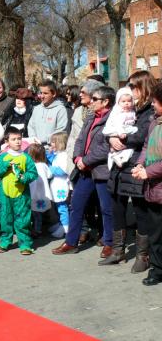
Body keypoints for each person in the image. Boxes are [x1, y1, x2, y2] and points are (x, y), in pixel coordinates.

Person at [52, 86, 116, 258]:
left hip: (102, 170)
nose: (92, 101)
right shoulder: (90, 116)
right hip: (85, 170)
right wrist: (77, 158)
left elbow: (107, 147)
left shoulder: (113, 119)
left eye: (95, 99)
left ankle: (109, 243)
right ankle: (71, 242)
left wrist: (85, 160)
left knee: (106, 208)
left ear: (105, 102)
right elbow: (80, 139)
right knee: (76, 205)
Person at [104, 70, 156, 271]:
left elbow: (144, 136)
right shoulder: (125, 107)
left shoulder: (149, 110)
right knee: (117, 207)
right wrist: (111, 137)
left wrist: (121, 137)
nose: (131, 91)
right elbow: (107, 129)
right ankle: (118, 250)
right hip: (119, 166)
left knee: (140, 211)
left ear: (143, 87)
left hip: (136, 165)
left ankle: (143, 256)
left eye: (134, 87)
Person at [131, 82, 162, 286]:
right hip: (153, 187)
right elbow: (145, 146)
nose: (152, 104)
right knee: (156, 232)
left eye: (156, 101)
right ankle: (158, 269)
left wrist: (147, 172)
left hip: (155, 180)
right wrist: (140, 164)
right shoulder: (154, 122)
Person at [0, 127, 38, 255]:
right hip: (5, 194)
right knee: (5, 218)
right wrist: (5, 166)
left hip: (21, 194)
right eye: (14, 139)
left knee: (23, 219)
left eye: (19, 139)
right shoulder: (3, 157)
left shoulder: (26, 157)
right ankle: (5, 242)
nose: (17, 142)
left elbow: (33, 173)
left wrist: (24, 177)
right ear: (7, 141)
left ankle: (25, 244)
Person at [102, 87, 138, 169]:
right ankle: (114, 156)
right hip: (117, 130)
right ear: (118, 102)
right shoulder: (118, 111)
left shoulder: (132, 110)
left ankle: (120, 158)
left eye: (129, 101)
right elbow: (117, 123)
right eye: (123, 101)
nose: (126, 103)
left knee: (130, 149)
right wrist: (121, 132)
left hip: (127, 130)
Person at [27, 80, 68, 145]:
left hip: (51, 149)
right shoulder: (36, 109)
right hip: (35, 147)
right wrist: (33, 139)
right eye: (41, 93)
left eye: (45, 93)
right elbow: (31, 126)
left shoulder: (60, 109)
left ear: (53, 94)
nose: (42, 96)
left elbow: (61, 130)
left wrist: (43, 140)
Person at [48, 132, 70, 238]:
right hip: (56, 185)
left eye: (53, 142)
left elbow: (62, 171)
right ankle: (61, 224)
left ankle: (65, 227)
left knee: (62, 207)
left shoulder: (64, 156)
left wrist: (48, 169)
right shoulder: (58, 154)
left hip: (61, 185)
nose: (50, 144)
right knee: (58, 207)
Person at [27, 143, 52, 237]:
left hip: (32, 193)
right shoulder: (44, 166)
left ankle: (35, 230)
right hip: (43, 193)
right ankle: (39, 229)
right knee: (39, 213)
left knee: (33, 214)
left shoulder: (30, 166)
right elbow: (50, 175)